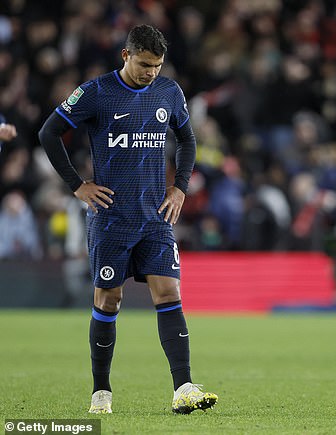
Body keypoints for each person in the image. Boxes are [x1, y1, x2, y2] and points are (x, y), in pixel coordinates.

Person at [38, 24, 218, 415]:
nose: (151, 72)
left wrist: (180, 187)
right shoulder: (96, 93)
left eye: (157, 65)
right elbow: (49, 133)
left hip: (156, 217)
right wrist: (77, 185)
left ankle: (183, 387)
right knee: (109, 299)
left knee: (169, 294)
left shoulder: (169, 92)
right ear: (126, 55)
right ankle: (101, 391)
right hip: (111, 220)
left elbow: (187, 140)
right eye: (144, 64)